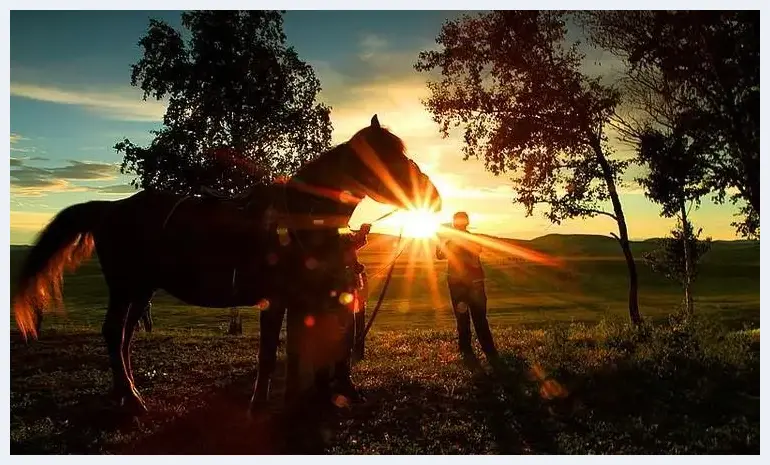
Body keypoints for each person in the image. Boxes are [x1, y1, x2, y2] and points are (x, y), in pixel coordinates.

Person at [436, 211, 499, 363]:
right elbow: (440, 255)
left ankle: (468, 351)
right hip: (471, 282)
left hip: (462, 283)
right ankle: (486, 351)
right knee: (477, 318)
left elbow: (440, 255)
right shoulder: (469, 239)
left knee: (465, 318)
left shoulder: (456, 241)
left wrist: (441, 241)